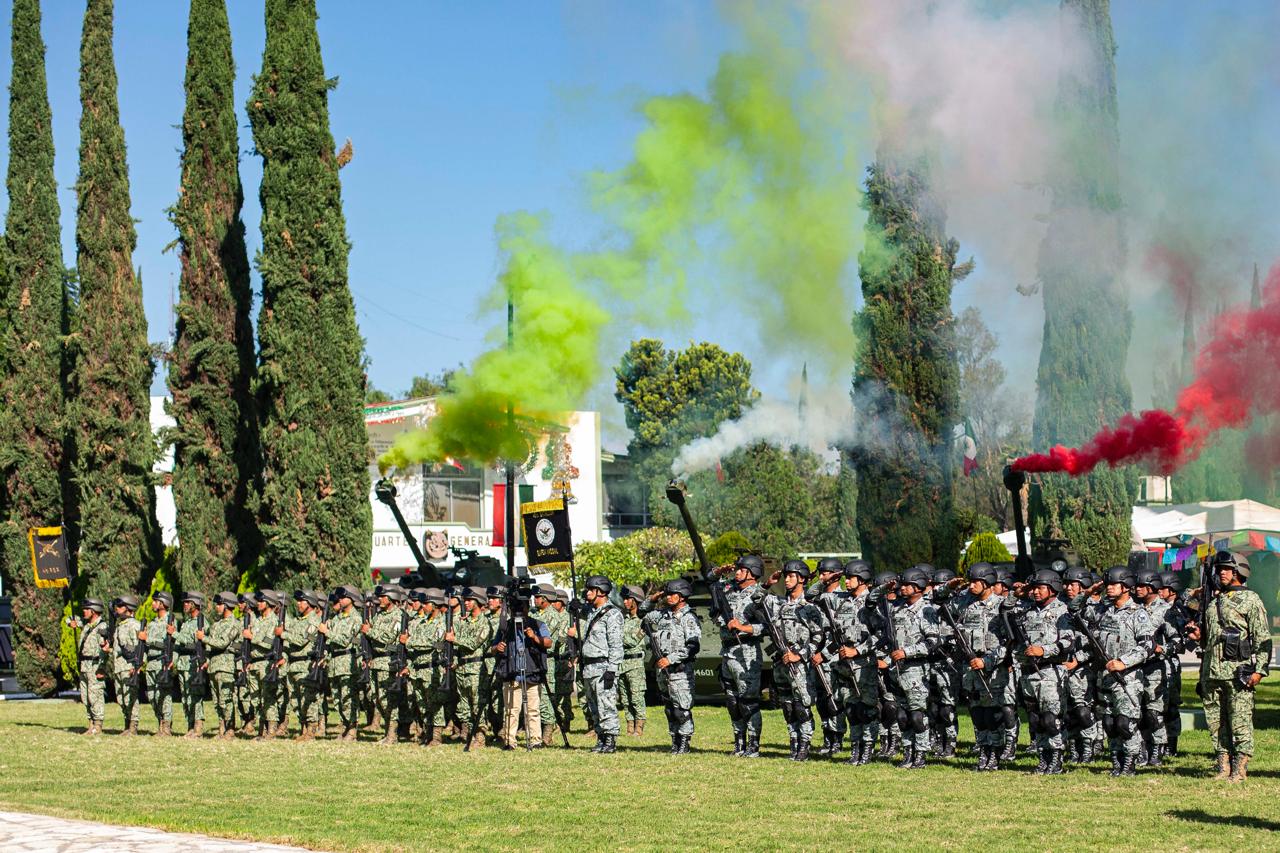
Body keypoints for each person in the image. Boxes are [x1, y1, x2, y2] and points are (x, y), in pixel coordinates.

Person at [1187, 551, 1271, 782]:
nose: (1221, 573)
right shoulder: (1214, 601)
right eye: (1219, 569)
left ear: (1239, 572)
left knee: (1240, 720)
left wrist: (1259, 670)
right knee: (1216, 722)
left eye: (1227, 569)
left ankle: (1240, 768)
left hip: (1238, 672)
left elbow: (1261, 636)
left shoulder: (1251, 600)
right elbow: (1211, 636)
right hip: (1211, 671)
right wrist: (1199, 636)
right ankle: (1223, 766)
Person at [755, 560, 825, 761]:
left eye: (792, 576)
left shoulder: (809, 607)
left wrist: (800, 655)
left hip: (799, 664)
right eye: (786, 576)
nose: (787, 580)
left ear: (802, 579)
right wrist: (768, 583)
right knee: (787, 706)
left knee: (801, 706)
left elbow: (818, 637)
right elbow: (756, 599)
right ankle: (794, 741)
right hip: (781, 663)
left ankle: (805, 744)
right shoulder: (778, 603)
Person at [1007, 569, 1075, 774]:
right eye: (1034, 588)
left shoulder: (1063, 610)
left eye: (1040, 588)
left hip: (1050, 673)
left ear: (1052, 588)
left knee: (1051, 719)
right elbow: (1005, 609)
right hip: (1028, 674)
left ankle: (1056, 759)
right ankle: (1043, 758)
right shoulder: (1027, 610)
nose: (1036, 592)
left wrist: (1044, 650)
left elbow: (1068, 641)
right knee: (1036, 719)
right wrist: (1018, 593)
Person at [1094, 567, 1154, 776]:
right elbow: (1075, 612)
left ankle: (1130, 761)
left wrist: (1123, 662)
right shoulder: (1102, 612)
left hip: (1127, 677)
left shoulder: (1138, 614)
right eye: (1107, 584)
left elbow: (1148, 646)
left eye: (1113, 584)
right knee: (1109, 723)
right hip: (1106, 677)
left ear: (1126, 587)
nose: (1108, 588)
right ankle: (1116, 760)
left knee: (1125, 722)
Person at [884, 566, 941, 769]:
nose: (903, 588)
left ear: (919, 586)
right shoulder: (897, 608)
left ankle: (921, 753)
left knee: (917, 715)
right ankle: (908, 751)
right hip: (897, 670)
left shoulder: (927, 610)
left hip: (916, 670)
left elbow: (933, 642)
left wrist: (907, 652)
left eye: (908, 585)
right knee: (902, 715)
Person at [642, 578, 701, 754]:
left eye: (672, 594)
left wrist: (671, 659)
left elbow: (693, 646)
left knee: (681, 709)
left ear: (682, 596)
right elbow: (642, 614)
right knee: (669, 709)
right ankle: (674, 740)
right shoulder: (662, 615)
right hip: (663, 671)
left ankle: (684, 742)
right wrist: (653, 598)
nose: (668, 597)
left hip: (679, 671)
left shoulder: (688, 618)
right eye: (667, 594)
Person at [830, 560, 880, 765]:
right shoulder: (842, 601)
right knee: (851, 709)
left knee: (867, 709)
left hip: (864, 664)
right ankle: (855, 747)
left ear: (861, 579)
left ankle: (868, 748)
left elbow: (881, 635)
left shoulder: (872, 603)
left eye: (849, 578)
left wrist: (857, 650)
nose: (846, 581)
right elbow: (812, 596)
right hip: (845, 665)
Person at [491, 594, 552, 750]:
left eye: (522, 607)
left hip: (532, 671)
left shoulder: (537, 624)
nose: (518, 611)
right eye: (515, 608)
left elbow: (548, 643)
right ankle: (509, 741)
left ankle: (535, 739)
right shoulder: (506, 626)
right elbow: (493, 647)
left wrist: (534, 637)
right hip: (511, 672)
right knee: (511, 710)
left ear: (527, 607)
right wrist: (497, 648)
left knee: (533, 709)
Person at [1134, 570, 1179, 766]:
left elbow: (1177, 641)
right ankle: (1142, 749)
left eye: (1141, 586)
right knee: (1138, 712)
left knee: (1154, 712)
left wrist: (1162, 649)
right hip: (1134, 668)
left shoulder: (1165, 611)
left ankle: (1158, 750)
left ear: (1151, 588)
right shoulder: (1133, 609)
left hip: (1155, 668)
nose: (1137, 589)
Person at [579, 575, 623, 754]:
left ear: (601, 592)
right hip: (589, 667)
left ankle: (610, 740)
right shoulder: (591, 612)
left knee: (606, 705)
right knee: (594, 706)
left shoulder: (612, 614)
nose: (587, 593)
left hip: (604, 666)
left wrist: (612, 669)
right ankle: (600, 738)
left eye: (591, 590)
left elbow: (616, 645)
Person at [811, 557, 848, 757]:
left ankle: (837, 738)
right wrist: (823, 581)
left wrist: (824, 655)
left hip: (833, 655)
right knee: (822, 701)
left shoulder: (843, 597)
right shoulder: (818, 597)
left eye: (824, 573)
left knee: (834, 699)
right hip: (817, 652)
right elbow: (810, 593)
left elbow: (840, 634)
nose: (821, 576)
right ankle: (827, 736)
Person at [318, 585, 363, 741]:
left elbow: (345, 641)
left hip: (347, 663)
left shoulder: (356, 618)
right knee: (337, 699)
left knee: (348, 698)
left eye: (343, 597)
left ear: (351, 599)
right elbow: (330, 643)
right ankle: (345, 726)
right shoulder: (337, 618)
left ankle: (352, 730)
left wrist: (327, 632)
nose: (340, 600)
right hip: (335, 663)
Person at [450, 587, 493, 748]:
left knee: (477, 703)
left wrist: (455, 639)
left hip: (476, 668)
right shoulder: (463, 621)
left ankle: (480, 736)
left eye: (470, 600)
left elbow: (473, 644)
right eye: (465, 600)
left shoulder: (484, 623)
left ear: (479, 601)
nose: (466, 603)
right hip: (462, 667)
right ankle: (468, 733)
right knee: (464, 704)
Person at [407, 588, 449, 746]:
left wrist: (410, 642)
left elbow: (435, 644)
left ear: (435, 604)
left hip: (432, 669)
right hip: (418, 668)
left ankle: (437, 736)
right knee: (422, 703)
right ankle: (428, 732)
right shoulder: (423, 622)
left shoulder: (442, 623)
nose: (423, 606)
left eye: (426, 603)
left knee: (435, 703)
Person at [198, 592, 242, 739]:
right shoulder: (216, 625)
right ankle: (221, 728)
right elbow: (212, 647)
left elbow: (222, 642)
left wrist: (203, 638)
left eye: (220, 604)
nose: (217, 607)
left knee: (226, 699)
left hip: (226, 666)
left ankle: (230, 729)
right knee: (217, 701)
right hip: (214, 665)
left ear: (228, 605)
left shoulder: (234, 624)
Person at [367, 585, 406, 745]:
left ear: (391, 598)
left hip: (389, 661)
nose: (380, 599)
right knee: (376, 699)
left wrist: (369, 631)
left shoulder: (398, 616)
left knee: (388, 700)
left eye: (383, 596)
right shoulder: (379, 615)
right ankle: (387, 732)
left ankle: (392, 734)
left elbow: (388, 638)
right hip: (376, 661)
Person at [1157, 570, 1191, 755]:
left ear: (1172, 590)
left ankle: (1171, 744)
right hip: (1156, 662)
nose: (1159, 591)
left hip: (1170, 662)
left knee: (1171, 705)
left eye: (1162, 588)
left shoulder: (1179, 609)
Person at [246, 589, 286, 740]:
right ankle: (261, 729)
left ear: (268, 602)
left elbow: (270, 642)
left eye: (261, 601)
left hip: (266, 663)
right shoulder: (258, 620)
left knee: (268, 698)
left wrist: (252, 637)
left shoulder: (274, 621)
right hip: (255, 663)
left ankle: (271, 731)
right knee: (256, 699)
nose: (258, 603)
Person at [283, 590, 323, 740]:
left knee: (308, 698)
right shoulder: (298, 621)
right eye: (298, 601)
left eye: (302, 601)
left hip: (305, 665)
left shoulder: (314, 621)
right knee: (296, 701)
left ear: (310, 603)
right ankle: (304, 728)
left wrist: (284, 634)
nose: (298, 604)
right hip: (293, 665)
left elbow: (301, 640)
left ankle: (311, 731)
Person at [142, 591, 178, 736]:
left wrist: (147, 639)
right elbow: (145, 646)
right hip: (151, 663)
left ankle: (166, 726)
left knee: (164, 695)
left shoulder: (170, 622)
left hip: (162, 662)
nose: (152, 603)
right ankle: (160, 722)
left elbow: (168, 644)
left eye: (155, 601)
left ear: (163, 603)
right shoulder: (152, 624)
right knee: (152, 696)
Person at [72, 598, 110, 735]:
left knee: (95, 696)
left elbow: (105, 650)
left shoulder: (102, 627)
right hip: (84, 665)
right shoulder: (87, 626)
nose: (84, 611)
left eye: (86, 609)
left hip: (95, 665)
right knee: (85, 696)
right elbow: (72, 621)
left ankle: (98, 725)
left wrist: (102, 667)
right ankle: (90, 724)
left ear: (93, 611)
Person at [110, 594, 144, 736]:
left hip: (129, 667)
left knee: (131, 697)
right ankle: (126, 724)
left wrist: (137, 666)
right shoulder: (120, 626)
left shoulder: (134, 625)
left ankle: (133, 726)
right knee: (121, 699)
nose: (117, 609)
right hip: (119, 667)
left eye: (120, 606)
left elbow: (139, 648)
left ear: (128, 608)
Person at [174, 591, 207, 738]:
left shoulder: (202, 622)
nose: (185, 605)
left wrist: (174, 634)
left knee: (195, 696)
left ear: (195, 603)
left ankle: (198, 727)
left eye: (188, 602)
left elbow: (192, 643)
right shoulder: (187, 623)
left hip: (194, 663)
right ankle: (190, 726)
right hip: (183, 663)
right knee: (185, 697)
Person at [618, 585, 649, 736]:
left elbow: (632, 641)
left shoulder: (643, 620)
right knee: (625, 699)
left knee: (636, 697)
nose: (624, 602)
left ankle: (639, 727)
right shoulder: (623, 620)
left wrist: (617, 638)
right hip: (622, 664)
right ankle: (630, 727)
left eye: (628, 599)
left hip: (635, 664)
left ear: (636, 601)